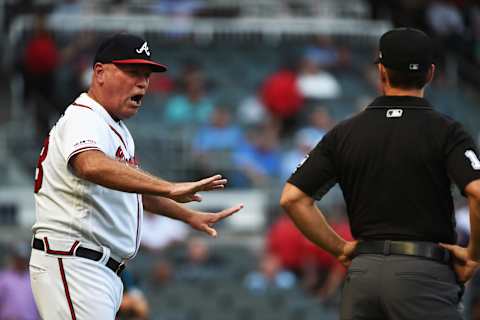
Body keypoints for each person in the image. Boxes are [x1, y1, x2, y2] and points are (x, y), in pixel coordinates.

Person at [29, 32, 243, 320]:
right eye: (132, 72)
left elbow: (132, 190)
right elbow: (89, 164)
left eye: (146, 74)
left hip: (96, 267)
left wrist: (188, 215)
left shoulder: (113, 127)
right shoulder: (85, 117)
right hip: (75, 260)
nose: (142, 82)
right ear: (100, 73)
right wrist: (169, 187)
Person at [280, 27, 480, 320]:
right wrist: (474, 255)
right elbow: (477, 192)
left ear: (382, 72)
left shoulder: (344, 132)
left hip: (364, 275)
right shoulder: (447, 131)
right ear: (431, 73)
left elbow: (292, 198)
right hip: (423, 273)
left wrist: (339, 249)